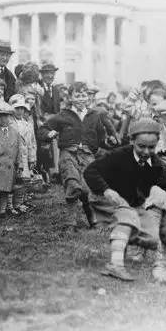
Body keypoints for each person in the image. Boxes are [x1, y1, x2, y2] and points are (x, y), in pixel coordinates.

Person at [82, 119, 166, 281]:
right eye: (141, 146)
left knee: (153, 238)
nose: (146, 151)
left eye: (151, 147)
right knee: (128, 216)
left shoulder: (157, 167)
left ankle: (125, 243)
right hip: (104, 197)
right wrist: (106, 190)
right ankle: (116, 265)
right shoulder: (119, 155)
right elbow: (90, 171)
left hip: (132, 203)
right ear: (132, 141)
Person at [43, 82, 109, 227]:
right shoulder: (63, 115)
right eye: (77, 96)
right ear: (71, 98)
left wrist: (104, 143)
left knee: (87, 188)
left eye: (83, 95)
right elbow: (43, 128)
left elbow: (101, 135)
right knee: (72, 184)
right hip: (68, 154)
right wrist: (49, 133)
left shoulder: (94, 115)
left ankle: (92, 217)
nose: (81, 99)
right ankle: (70, 221)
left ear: (88, 98)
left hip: (87, 155)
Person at [0, 102, 22, 216]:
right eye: (0, 116)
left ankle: (2, 210)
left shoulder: (15, 132)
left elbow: (18, 149)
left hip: (9, 164)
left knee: (6, 189)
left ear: (10, 117)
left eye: (6, 116)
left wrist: (19, 164)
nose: (3, 119)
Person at [10, 94, 37, 215]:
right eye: (17, 108)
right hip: (13, 156)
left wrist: (32, 158)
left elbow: (32, 142)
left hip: (25, 157)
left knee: (24, 180)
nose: (20, 111)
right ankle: (10, 205)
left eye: (22, 108)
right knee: (12, 181)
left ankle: (19, 203)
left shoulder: (28, 124)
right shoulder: (10, 123)